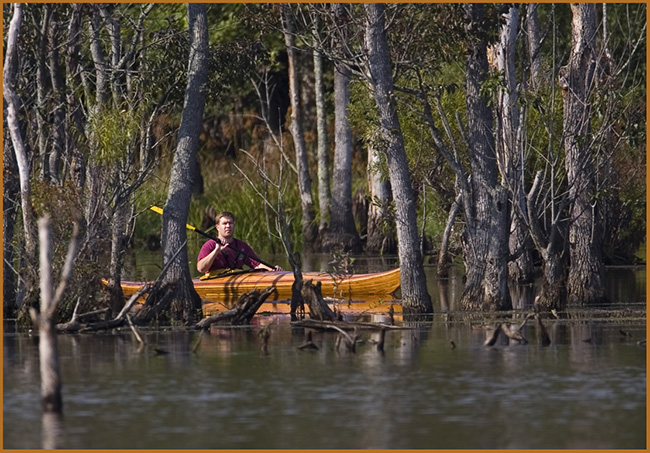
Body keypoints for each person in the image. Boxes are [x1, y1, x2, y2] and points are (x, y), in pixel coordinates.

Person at [196, 211, 282, 276]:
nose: (228, 226)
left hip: (238, 278)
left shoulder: (242, 246)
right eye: (224, 223)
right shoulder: (209, 245)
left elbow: (257, 264)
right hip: (216, 280)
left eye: (230, 223)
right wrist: (216, 251)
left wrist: (272, 269)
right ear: (218, 227)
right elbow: (201, 269)